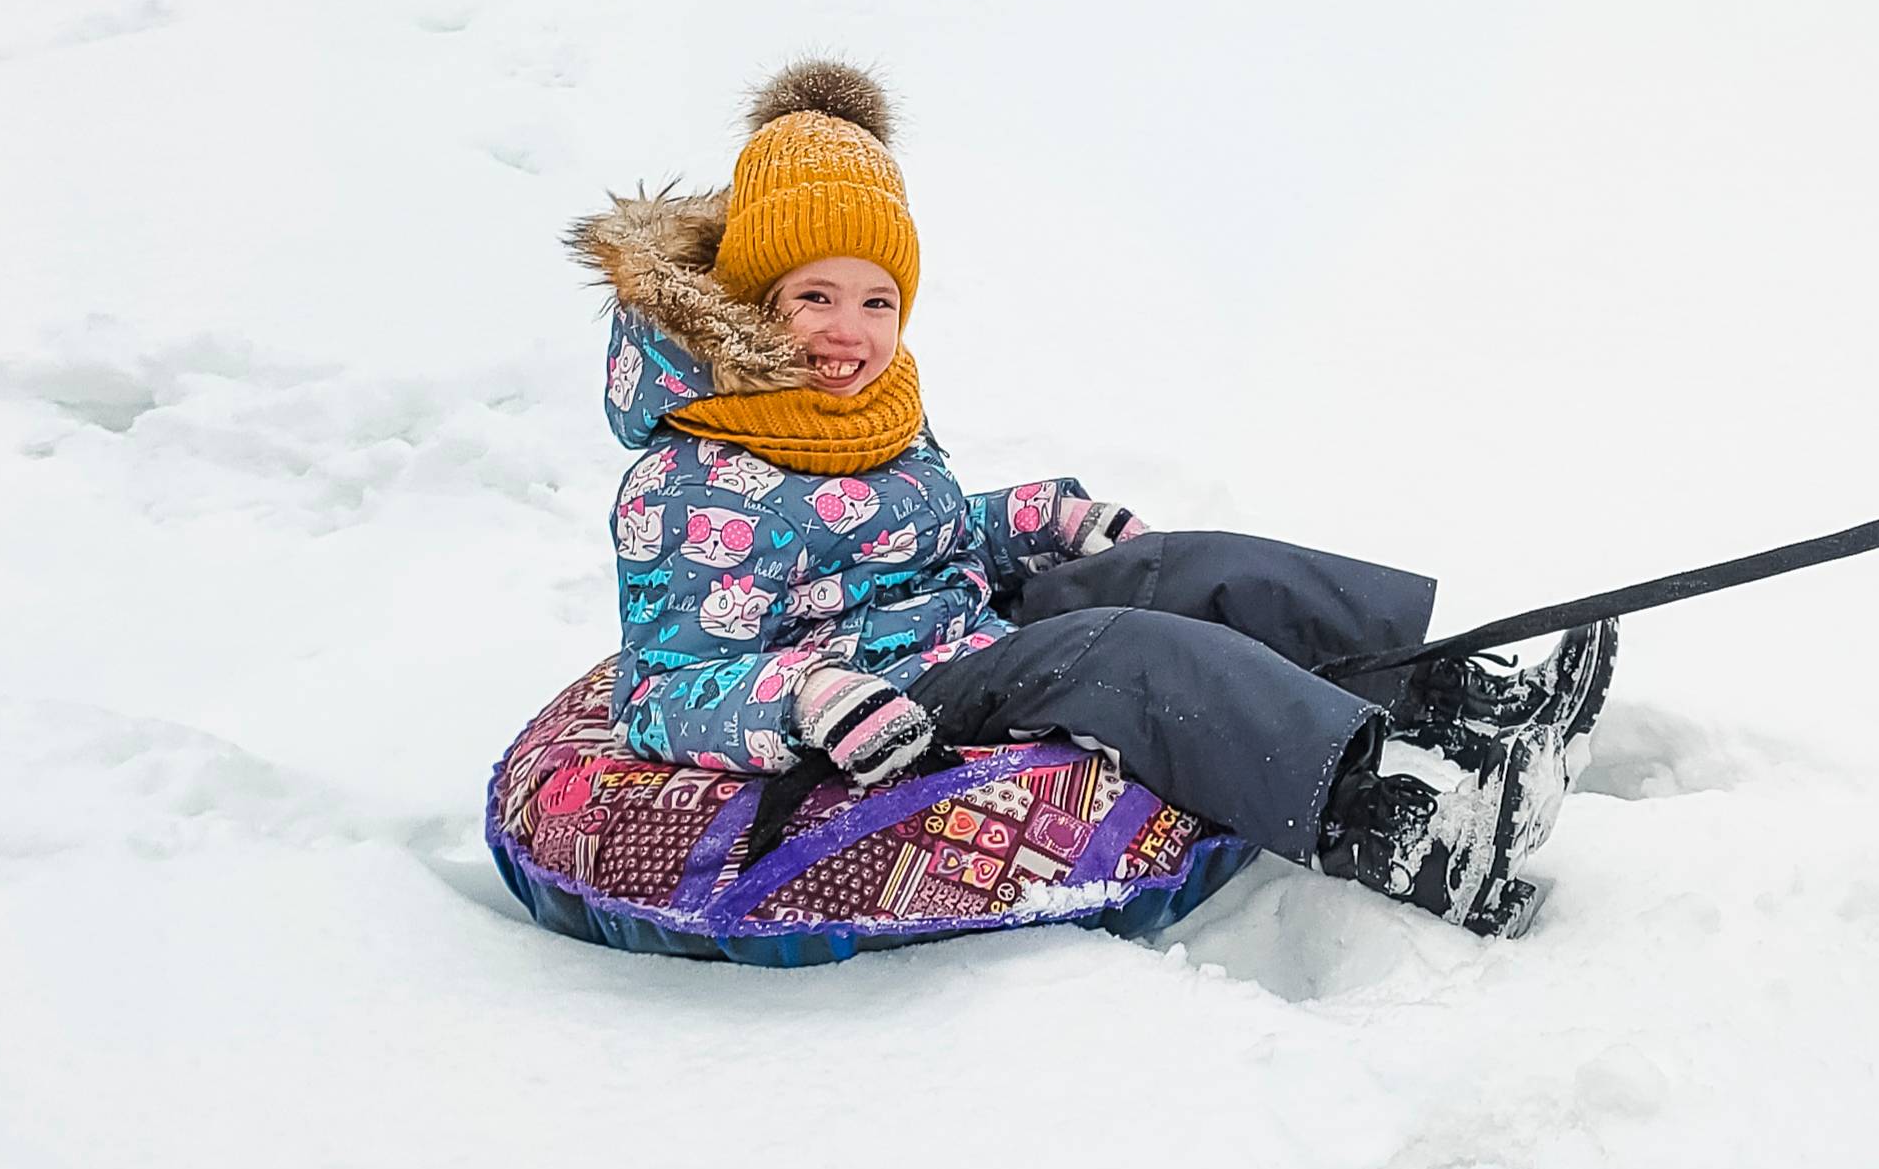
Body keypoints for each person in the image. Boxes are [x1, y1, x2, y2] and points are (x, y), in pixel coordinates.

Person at [574, 59, 1605, 939]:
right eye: (814, 298)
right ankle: (1387, 824)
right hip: (882, 690)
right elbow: (664, 686)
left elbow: (913, 532)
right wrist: (805, 699)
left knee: (1191, 568)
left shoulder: (866, 403)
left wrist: (1038, 515)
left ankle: (1459, 690)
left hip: (960, 624)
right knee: (1124, 650)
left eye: (877, 300)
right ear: (756, 302)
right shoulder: (681, 483)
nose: (851, 330)